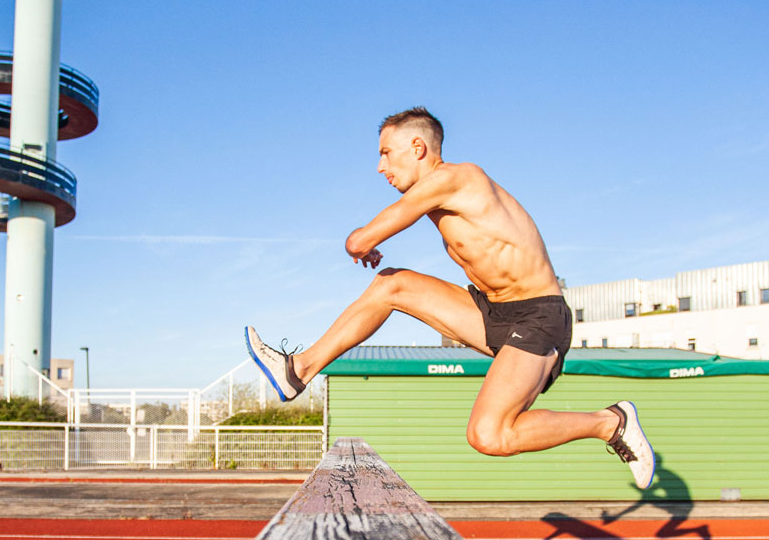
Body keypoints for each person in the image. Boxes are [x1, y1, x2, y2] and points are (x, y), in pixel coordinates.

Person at [245, 106, 655, 488]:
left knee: (489, 434)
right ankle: (297, 370)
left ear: (417, 148)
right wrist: (365, 244)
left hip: (539, 316)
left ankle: (610, 422)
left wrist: (362, 243)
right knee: (391, 284)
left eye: (387, 153)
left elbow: (358, 240)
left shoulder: (456, 179)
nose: (380, 166)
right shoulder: (439, 193)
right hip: (493, 310)